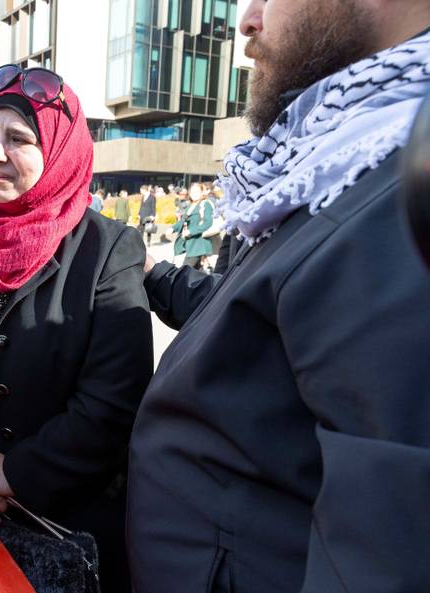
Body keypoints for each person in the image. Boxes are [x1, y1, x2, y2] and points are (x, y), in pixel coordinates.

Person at [127, 2, 430, 591]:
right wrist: (159, 276)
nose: (247, 17)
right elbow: (255, 335)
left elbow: (385, 555)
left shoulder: (397, 189)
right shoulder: (330, 166)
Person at [0, 65, 153, 592]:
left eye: (18, 139)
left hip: (67, 525)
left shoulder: (107, 250)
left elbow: (113, 404)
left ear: (59, 153)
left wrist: (15, 472)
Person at [171, 182, 213, 269]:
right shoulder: (190, 206)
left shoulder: (205, 204)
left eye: (197, 192)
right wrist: (173, 228)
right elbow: (182, 221)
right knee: (197, 273)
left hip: (199, 244)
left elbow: (208, 222)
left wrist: (191, 231)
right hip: (189, 244)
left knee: (185, 271)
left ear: (202, 193)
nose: (194, 194)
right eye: (192, 192)